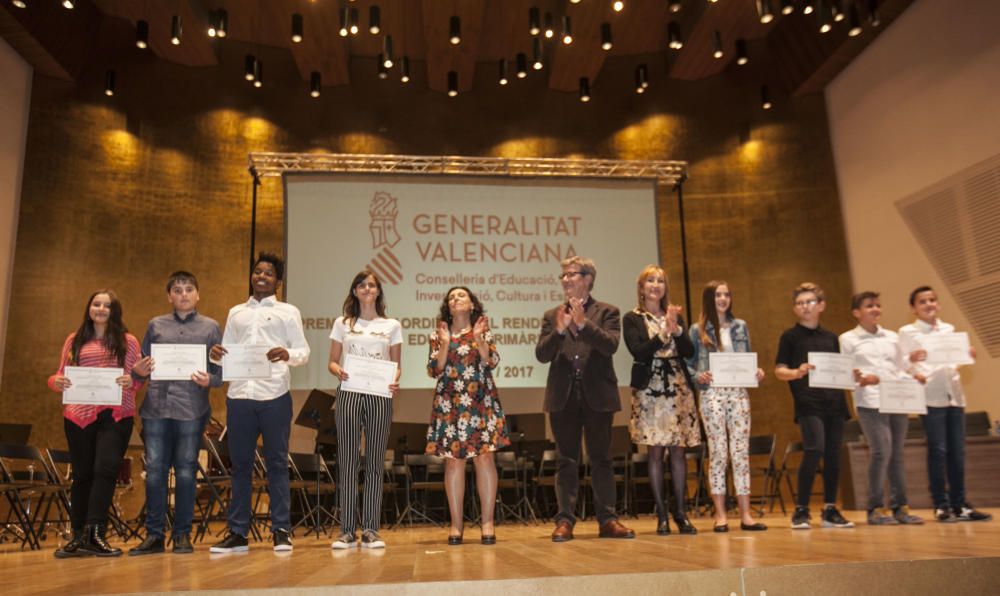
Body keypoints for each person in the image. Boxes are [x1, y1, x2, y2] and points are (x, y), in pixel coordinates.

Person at [209, 252, 310, 553]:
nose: (262, 276)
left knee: (277, 463)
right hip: (239, 395)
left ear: (278, 281)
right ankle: (238, 533)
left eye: (268, 273)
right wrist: (216, 356)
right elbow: (225, 353)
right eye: (257, 272)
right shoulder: (235, 312)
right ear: (252, 276)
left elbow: (303, 351)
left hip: (274, 394)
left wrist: (287, 354)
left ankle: (281, 530)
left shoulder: (288, 311)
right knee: (239, 466)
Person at [535, 256, 634, 542]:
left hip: (597, 395)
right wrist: (561, 329)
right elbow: (542, 355)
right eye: (563, 276)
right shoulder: (552, 315)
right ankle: (565, 521)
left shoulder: (608, 312)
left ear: (588, 279)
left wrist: (584, 324)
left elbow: (611, 345)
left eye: (572, 275)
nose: (566, 279)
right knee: (566, 460)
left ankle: (608, 520)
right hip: (562, 396)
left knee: (601, 459)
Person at [128, 271, 223, 556]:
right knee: (155, 472)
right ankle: (154, 536)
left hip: (192, 409)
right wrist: (137, 371)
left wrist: (212, 380)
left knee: (185, 471)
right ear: (169, 295)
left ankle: (182, 535)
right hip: (156, 407)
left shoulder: (211, 327)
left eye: (189, 289)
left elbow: (219, 371)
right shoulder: (155, 325)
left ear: (198, 295)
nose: (183, 294)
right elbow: (142, 366)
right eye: (177, 290)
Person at [48, 290, 142, 558]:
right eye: (96, 304)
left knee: (105, 469)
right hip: (78, 415)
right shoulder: (73, 340)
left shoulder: (128, 341)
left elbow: (135, 378)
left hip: (115, 415)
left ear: (115, 310)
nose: (101, 308)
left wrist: (132, 381)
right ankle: (78, 536)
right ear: (89, 308)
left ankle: (96, 533)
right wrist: (55, 382)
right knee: (82, 475)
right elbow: (59, 375)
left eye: (107, 305)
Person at [898, 286, 991, 523]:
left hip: (955, 397)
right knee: (938, 451)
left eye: (932, 300)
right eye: (923, 301)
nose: (929, 304)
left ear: (938, 304)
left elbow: (954, 362)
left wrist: (966, 355)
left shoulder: (949, 330)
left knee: (957, 452)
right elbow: (901, 364)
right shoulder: (907, 332)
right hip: (931, 397)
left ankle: (960, 504)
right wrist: (912, 365)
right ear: (914, 308)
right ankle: (941, 504)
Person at [426, 286, 511, 545]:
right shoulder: (439, 334)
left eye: (461, 295)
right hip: (450, 403)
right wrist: (446, 343)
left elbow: (492, 360)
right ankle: (456, 525)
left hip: (479, 402)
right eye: (451, 297)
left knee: (484, 459)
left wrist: (478, 338)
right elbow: (435, 368)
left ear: (472, 304)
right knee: (453, 462)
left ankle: (487, 523)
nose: (455, 299)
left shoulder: (482, 330)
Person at [328, 270, 401, 550]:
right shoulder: (342, 323)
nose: (367, 289)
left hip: (380, 396)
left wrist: (394, 381)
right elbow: (332, 362)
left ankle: (370, 528)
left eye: (371, 285)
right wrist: (340, 371)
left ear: (378, 291)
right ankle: (346, 530)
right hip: (349, 393)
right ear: (355, 291)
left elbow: (397, 366)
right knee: (347, 460)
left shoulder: (392, 325)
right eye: (361, 285)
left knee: (374, 462)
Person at [623, 265, 699, 536]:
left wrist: (677, 330)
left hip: (678, 388)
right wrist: (664, 334)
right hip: (651, 390)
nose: (656, 285)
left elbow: (689, 352)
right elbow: (639, 351)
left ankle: (681, 513)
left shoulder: (674, 316)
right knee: (655, 452)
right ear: (642, 288)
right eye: (650, 281)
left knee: (678, 452)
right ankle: (662, 515)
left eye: (661, 281)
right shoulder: (631, 318)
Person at [687, 280, 767, 532]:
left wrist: (756, 373)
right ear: (708, 298)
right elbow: (686, 365)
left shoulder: (740, 326)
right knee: (719, 451)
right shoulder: (696, 330)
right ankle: (721, 515)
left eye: (726, 294)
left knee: (740, 451)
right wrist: (698, 376)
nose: (723, 299)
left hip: (739, 393)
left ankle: (746, 515)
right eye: (717, 295)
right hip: (712, 394)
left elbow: (747, 360)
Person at [774, 282, 854, 530]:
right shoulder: (790, 337)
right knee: (814, 449)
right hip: (808, 402)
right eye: (799, 303)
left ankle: (830, 508)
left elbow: (840, 369)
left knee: (832, 455)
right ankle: (801, 509)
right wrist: (797, 372)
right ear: (795, 309)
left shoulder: (831, 338)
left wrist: (851, 374)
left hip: (834, 403)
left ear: (821, 306)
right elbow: (779, 371)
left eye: (809, 302)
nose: (804, 307)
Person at [840, 291, 924, 526]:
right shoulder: (848, 339)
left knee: (897, 453)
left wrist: (916, 372)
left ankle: (900, 507)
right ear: (857, 312)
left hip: (896, 399)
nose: (875, 309)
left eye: (877, 305)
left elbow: (902, 367)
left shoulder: (893, 336)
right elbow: (846, 373)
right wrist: (859, 378)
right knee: (880, 451)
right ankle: (875, 507)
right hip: (870, 401)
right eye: (869, 306)